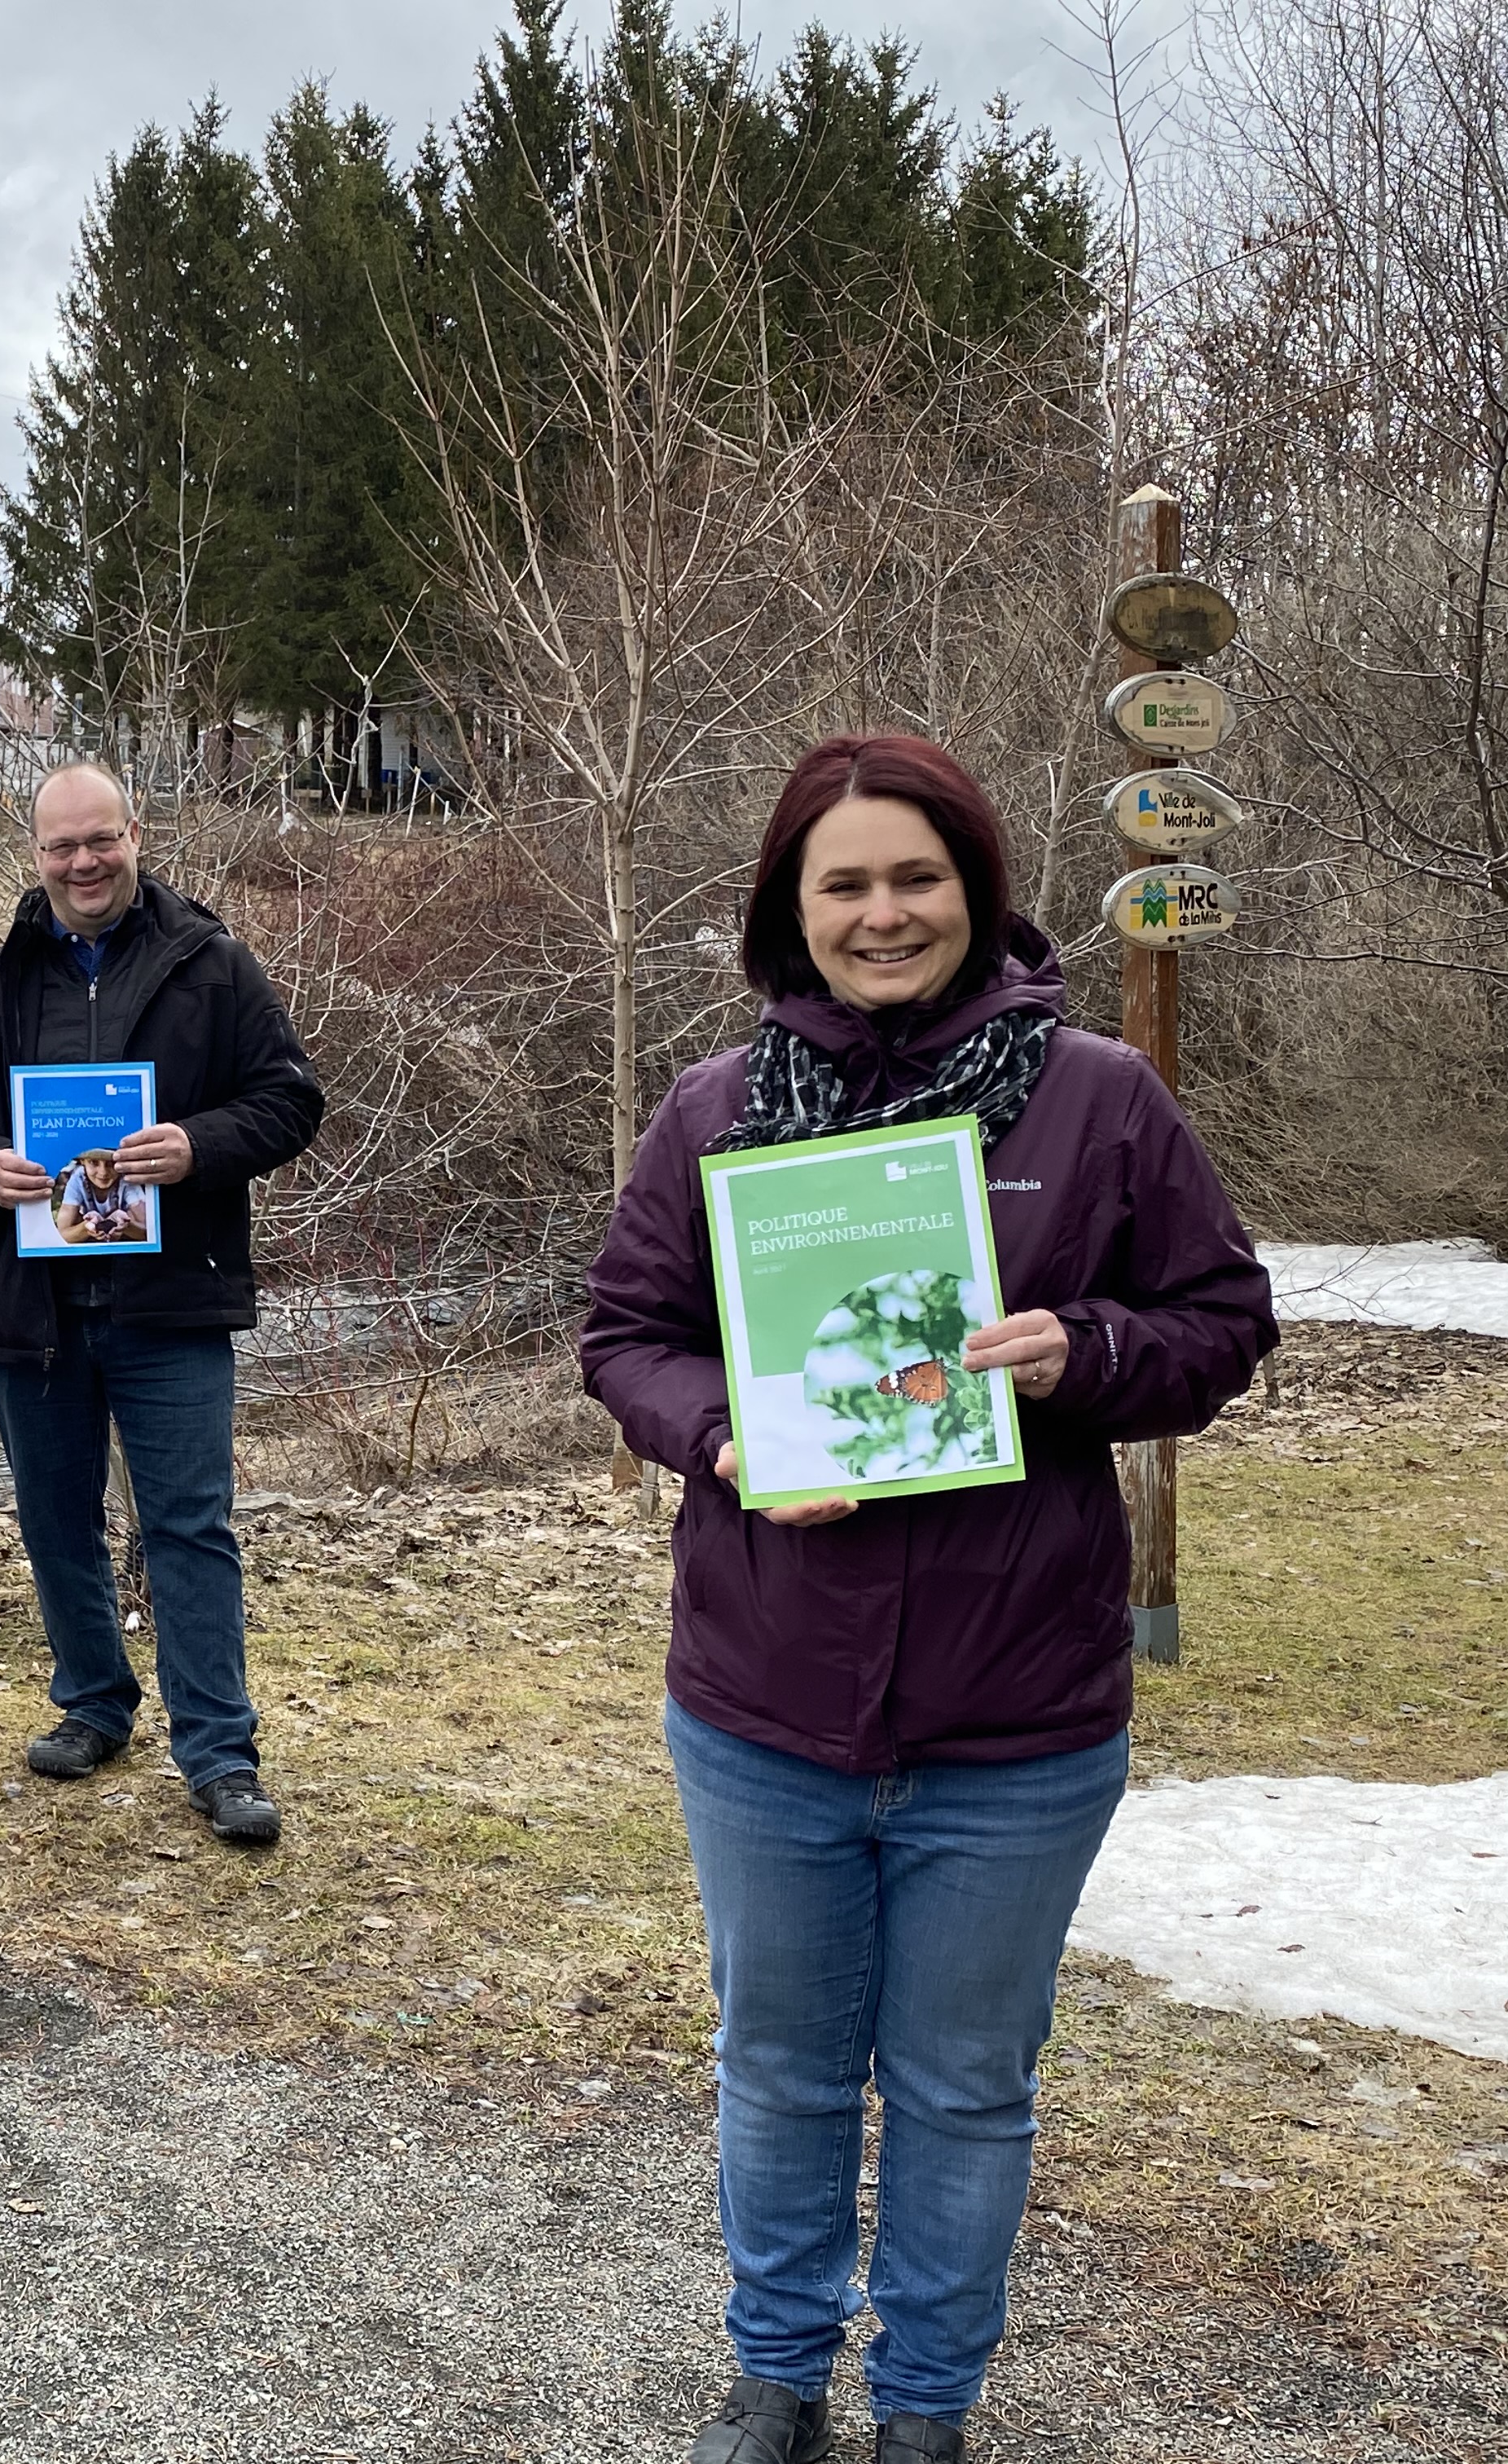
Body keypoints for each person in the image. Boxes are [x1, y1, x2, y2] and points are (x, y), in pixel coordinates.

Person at [579, 735, 1277, 2464]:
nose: (883, 914)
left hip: (1017, 1718)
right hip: (765, 1703)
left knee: (967, 2088)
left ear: (974, 890)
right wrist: (727, 1442)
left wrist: (1091, 1351)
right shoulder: (712, 1112)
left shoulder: (1101, 1100)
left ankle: (927, 2409)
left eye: (916, 879)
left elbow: (1227, 1322)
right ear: (790, 911)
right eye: (845, 885)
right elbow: (624, 1338)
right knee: (784, 2071)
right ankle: (775, 2377)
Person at [0, 762, 324, 1846]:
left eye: (101, 840)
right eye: (60, 847)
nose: (83, 863)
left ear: (136, 835)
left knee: (189, 1526)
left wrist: (199, 1147)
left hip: (170, 1301)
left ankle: (221, 1754)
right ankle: (93, 1705)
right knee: (55, 1518)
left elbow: (290, 1099)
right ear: (34, 856)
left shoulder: (214, 968)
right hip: (33, 1307)